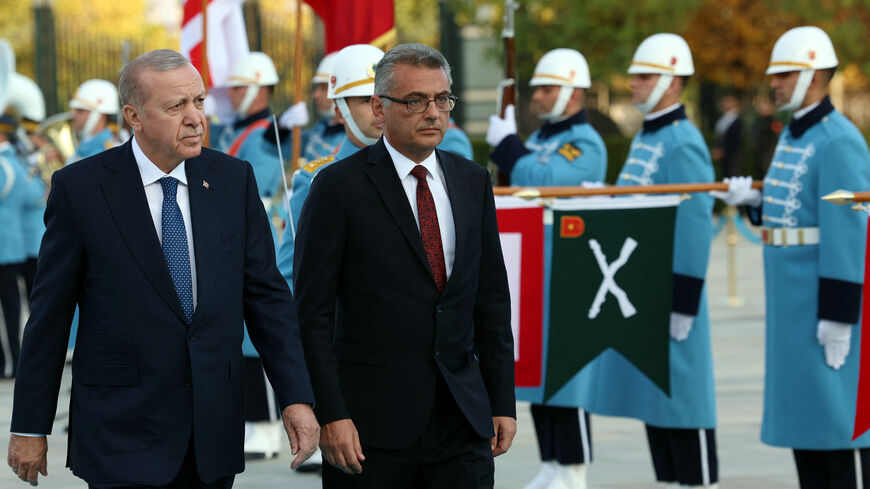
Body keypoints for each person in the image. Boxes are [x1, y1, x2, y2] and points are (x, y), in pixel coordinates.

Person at [7, 49, 319, 488]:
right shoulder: (81, 189)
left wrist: (296, 397)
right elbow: (49, 316)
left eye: (199, 102)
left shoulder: (233, 180)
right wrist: (29, 425)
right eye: (176, 106)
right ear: (134, 116)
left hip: (212, 433)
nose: (195, 118)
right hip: (120, 431)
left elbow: (266, 298)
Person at [293, 42, 517, 488]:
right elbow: (311, 314)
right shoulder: (337, 188)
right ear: (380, 107)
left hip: (461, 420)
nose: (433, 112)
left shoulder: (472, 180)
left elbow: (491, 298)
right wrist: (331, 413)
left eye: (442, 99)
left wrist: (501, 401)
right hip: (369, 429)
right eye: (415, 101)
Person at [713, 26, 870, 488]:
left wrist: (840, 313)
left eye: (784, 73)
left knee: (839, 425)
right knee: (807, 423)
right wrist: (754, 204)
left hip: (824, 300)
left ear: (815, 75)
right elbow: (797, 212)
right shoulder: (795, 135)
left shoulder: (838, 139)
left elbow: (848, 231)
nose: (774, 83)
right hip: (792, 302)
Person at [577, 33, 718, 489]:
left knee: (686, 403)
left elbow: (695, 225)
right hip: (642, 289)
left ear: (672, 82)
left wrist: (684, 300)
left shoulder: (683, 141)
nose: (634, 84)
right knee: (657, 402)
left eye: (644, 76)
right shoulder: (648, 137)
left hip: (672, 292)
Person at [486, 47, 607, 489]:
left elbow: (545, 180)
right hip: (538, 268)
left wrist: (507, 145)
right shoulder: (541, 140)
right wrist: (513, 149)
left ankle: (574, 467)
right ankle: (552, 461)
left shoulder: (585, 142)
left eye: (548, 87)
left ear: (573, 91)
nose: (538, 96)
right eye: (536, 88)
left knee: (568, 372)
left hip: (569, 271)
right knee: (538, 370)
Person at [276, 43, 385, 287]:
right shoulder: (315, 180)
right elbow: (292, 274)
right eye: (366, 100)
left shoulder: (415, 170)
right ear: (339, 109)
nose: (379, 111)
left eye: (385, 100)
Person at [0, 116, 33, 379]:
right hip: (14, 242)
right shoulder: (18, 162)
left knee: (9, 310)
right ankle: (15, 357)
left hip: (3, 245)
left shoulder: (3, 165)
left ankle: (9, 362)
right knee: (13, 306)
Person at [295, 52, 345, 162]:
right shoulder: (322, 127)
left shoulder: (351, 136)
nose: (315, 95)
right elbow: (292, 147)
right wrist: (282, 126)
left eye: (323, 88)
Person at [68, 78, 119, 163]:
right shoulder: (85, 143)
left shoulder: (105, 151)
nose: (74, 115)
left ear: (100, 115)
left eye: (80, 110)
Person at [711, 93, 742, 178]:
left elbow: (734, 139)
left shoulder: (735, 119)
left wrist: (724, 151)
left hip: (732, 155)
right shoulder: (724, 118)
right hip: (724, 155)